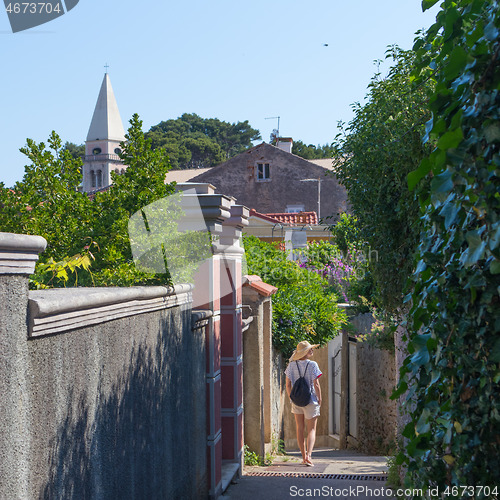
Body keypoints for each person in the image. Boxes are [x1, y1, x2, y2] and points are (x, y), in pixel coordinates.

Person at [285, 340, 322, 467]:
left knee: (299, 428)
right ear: (305, 352)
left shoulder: (291, 365)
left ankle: (303, 456)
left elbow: (288, 385)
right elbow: (316, 384)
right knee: (311, 429)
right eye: (310, 349)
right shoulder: (313, 365)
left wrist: (291, 398)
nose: (312, 351)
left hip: (297, 401)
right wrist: (319, 398)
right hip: (311, 400)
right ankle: (309, 456)